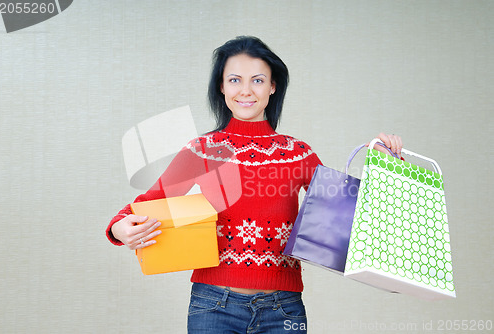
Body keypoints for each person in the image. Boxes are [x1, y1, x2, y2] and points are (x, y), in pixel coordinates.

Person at [106, 36, 403, 333]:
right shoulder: (202, 150)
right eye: (235, 80)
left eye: (258, 80)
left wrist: (382, 165)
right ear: (221, 87)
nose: (246, 91)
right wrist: (119, 227)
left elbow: (349, 215)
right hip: (213, 305)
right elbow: (149, 200)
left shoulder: (297, 152)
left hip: (283, 308)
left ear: (273, 86)